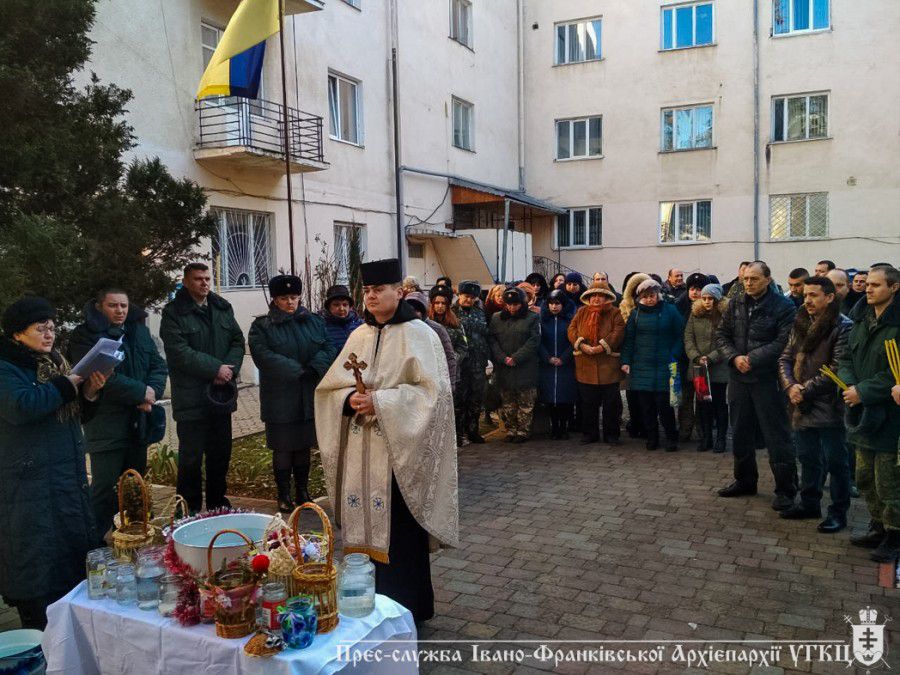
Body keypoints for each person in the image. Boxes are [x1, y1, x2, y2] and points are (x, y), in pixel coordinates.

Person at [315, 258, 458, 624]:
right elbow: (329, 388)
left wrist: (380, 401)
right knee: (360, 527)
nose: (372, 296)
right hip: (362, 455)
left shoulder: (420, 334)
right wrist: (348, 400)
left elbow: (435, 394)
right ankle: (367, 604)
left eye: (379, 290)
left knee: (401, 536)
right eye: (367, 290)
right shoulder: (358, 336)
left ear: (400, 291)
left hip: (399, 457)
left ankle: (408, 610)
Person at [0, 297, 107, 629]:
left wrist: (88, 393)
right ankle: (38, 634)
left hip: (64, 475)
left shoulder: (54, 361)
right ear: (18, 333)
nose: (49, 334)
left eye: (51, 327)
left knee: (69, 556)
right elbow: (21, 406)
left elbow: (70, 416)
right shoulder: (6, 366)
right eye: (40, 328)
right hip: (27, 482)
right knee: (37, 561)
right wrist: (66, 385)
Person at [69, 289, 168, 538]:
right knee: (104, 490)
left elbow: (158, 365)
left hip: (138, 423)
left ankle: (133, 541)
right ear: (100, 306)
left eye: (123, 305)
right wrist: (139, 393)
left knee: (134, 489)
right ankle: (92, 544)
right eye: (113, 305)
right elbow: (102, 377)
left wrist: (151, 392)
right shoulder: (84, 336)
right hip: (105, 426)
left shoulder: (138, 331)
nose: (120, 311)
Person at [159, 262, 246, 513]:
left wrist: (229, 369)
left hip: (220, 396)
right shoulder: (174, 312)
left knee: (220, 457)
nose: (204, 283)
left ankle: (218, 505)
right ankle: (189, 510)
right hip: (192, 399)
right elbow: (178, 352)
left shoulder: (221, 307)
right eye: (198, 279)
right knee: (191, 459)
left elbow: (237, 341)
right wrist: (215, 368)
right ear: (186, 282)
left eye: (207, 278)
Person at [249, 275, 336, 512]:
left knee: (303, 447)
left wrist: (314, 368)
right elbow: (263, 356)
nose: (290, 302)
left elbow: (328, 347)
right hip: (280, 397)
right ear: (275, 300)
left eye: (294, 297)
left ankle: (302, 491)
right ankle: (284, 493)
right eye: (284, 298)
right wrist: (297, 371)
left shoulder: (313, 322)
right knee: (283, 447)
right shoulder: (262, 326)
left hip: (307, 396)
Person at [715, 261, 797, 508]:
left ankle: (786, 489)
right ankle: (745, 481)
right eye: (746, 279)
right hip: (739, 378)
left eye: (754, 279)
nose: (748, 283)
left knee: (776, 436)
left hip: (767, 379)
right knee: (740, 432)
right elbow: (721, 335)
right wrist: (734, 357)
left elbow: (785, 341)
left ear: (768, 279)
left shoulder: (783, 306)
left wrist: (753, 358)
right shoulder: (736, 303)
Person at [777, 276, 852, 532]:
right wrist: (790, 386)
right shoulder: (800, 322)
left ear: (829, 297)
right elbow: (785, 358)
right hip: (800, 402)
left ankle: (838, 512)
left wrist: (803, 390)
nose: (807, 300)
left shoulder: (842, 326)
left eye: (813, 295)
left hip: (829, 404)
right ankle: (809, 503)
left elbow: (837, 369)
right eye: (805, 295)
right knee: (808, 457)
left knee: (836, 462)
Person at [838, 265, 900, 562]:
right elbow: (847, 356)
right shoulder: (862, 319)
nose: (868, 289)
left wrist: (863, 391)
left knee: (888, 479)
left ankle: (895, 534)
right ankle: (877, 525)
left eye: (876, 285)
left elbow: (894, 374)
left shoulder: (897, 325)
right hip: (862, 412)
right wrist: (850, 384)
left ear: (894, 288)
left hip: (889, 415)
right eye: (868, 284)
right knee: (864, 476)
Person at [620, 278, 684, 452]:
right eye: (645, 296)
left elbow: (680, 335)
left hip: (665, 364)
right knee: (646, 407)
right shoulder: (635, 314)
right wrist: (625, 360)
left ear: (658, 295)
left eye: (652, 295)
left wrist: (674, 354)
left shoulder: (670, 311)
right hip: (642, 366)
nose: (649, 299)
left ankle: (671, 437)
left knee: (665, 405)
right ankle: (652, 437)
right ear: (640, 298)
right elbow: (629, 340)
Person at [569, 282, 625, 444]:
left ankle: (611, 434)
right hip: (585, 366)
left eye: (600, 295)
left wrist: (601, 347)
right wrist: (582, 345)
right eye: (593, 295)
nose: (596, 298)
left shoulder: (615, 313)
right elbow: (571, 330)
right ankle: (589, 433)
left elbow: (618, 332)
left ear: (607, 297)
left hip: (609, 368)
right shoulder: (581, 312)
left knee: (611, 405)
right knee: (588, 404)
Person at [489, 286, 541, 443]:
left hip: (525, 368)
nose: (512, 308)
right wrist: (502, 358)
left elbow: (534, 341)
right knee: (508, 403)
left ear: (522, 303)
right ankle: (511, 429)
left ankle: (523, 431)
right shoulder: (497, 318)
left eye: (516, 304)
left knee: (525, 403)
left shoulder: (532, 318)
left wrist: (516, 358)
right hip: (504, 367)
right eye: (509, 304)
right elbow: (492, 340)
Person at [452, 281, 491, 445]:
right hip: (461, 364)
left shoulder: (480, 312)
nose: (469, 300)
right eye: (466, 296)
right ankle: (458, 433)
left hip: (478, 362)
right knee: (460, 399)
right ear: (460, 295)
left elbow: (486, 334)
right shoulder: (451, 312)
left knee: (476, 398)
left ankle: (473, 430)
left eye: (473, 297)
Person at [538, 289, 577, 439]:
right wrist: (547, 357)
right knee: (550, 400)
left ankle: (564, 427)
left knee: (565, 399)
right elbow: (538, 342)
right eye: (551, 304)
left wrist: (564, 358)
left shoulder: (570, 321)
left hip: (566, 366)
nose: (554, 307)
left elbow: (573, 341)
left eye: (557, 304)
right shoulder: (542, 321)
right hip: (547, 366)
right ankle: (554, 428)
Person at [405, 291, 458, 391]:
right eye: (411, 309)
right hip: (408, 382)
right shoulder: (401, 328)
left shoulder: (437, 329)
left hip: (432, 381)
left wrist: (449, 385)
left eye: (418, 310)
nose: (414, 313)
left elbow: (449, 357)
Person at [620, 273, 651, 439]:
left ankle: (647, 425)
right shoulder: (624, 307)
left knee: (646, 394)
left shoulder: (653, 305)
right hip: (631, 357)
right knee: (632, 393)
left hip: (647, 356)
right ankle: (635, 422)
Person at [320, 284, 363, 356]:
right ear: (328, 307)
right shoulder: (321, 327)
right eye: (336, 305)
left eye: (345, 304)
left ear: (350, 307)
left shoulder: (361, 325)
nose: (341, 308)